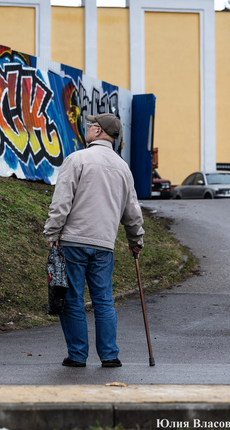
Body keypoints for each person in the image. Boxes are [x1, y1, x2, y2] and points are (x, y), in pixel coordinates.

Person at [43, 112, 144, 368]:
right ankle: (109, 356)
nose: (88, 128)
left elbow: (62, 202)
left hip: (73, 242)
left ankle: (77, 356)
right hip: (104, 245)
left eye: (91, 125)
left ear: (98, 131)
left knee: (73, 300)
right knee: (103, 301)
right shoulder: (123, 168)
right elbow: (132, 211)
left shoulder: (77, 159)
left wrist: (52, 232)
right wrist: (135, 240)